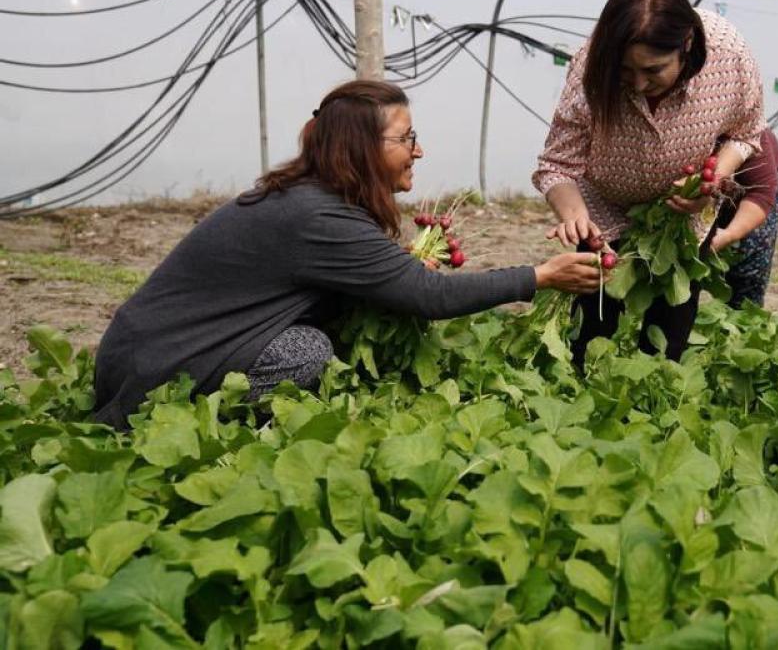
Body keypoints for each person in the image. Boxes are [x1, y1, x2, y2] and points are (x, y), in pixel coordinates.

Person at [93, 80, 601, 428]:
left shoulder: (313, 199)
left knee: (315, 341)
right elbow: (430, 296)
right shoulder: (317, 215)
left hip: (147, 351)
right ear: (362, 148)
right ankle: (202, 426)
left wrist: (392, 269)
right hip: (154, 371)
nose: (418, 150)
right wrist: (541, 275)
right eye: (407, 139)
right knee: (306, 352)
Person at [533, 0, 766, 364]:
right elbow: (557, 164)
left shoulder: (730, 56)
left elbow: (746, 133)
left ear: (687, 45)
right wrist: (575, 217)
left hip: (679, 224)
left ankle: (656, 405)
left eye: (653, 70)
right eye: (626, 71)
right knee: (591, 332)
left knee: (668, 337)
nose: (639, 84)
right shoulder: (591, 65)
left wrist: (710, 182)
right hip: (602, 213)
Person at [711, 127, 778, 307]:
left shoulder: (749, 126)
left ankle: (742, 322)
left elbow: (760, 193)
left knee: (747, 266)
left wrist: (729, 234)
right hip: (701, 189)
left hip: (752, 187)